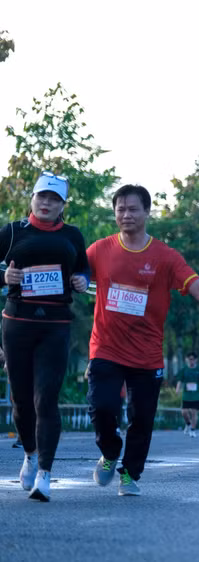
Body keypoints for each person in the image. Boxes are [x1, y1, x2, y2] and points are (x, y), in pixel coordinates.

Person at [87, 184, 199, 497]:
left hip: (146, 355)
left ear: (147, 212)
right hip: (106, 348)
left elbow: (198, 286)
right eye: (120, 209)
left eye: (133, 209)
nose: (126, 215)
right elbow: (72, 272)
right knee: (102, 406)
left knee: (141, 419)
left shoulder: (164, 256)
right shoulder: (99, 250)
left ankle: (130, 473)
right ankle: (110, 452)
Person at [0, 172, 90, 501]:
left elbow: (83, 268)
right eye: (42, 197)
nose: (47, 204)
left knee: (46, 399)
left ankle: (45, 473)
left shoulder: (72, 235)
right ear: (33, 199)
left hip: (55, 325)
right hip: (17, 323)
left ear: (63, 205)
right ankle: (29, 453)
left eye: (54, 199)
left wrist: (81, 279)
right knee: (22, 402)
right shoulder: (12, 231)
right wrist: (4, 276)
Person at [174, 352, 199, 438]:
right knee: (184, 412)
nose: (191, 361)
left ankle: (193, 430)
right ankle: (188, 424)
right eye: (189, 359)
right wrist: (177, 390)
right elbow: (179, 381)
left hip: (196, 396)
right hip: (186, 396)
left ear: (196, 360)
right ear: (187, 360)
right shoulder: (184, 369)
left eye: (193, 359)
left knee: (194, 413)